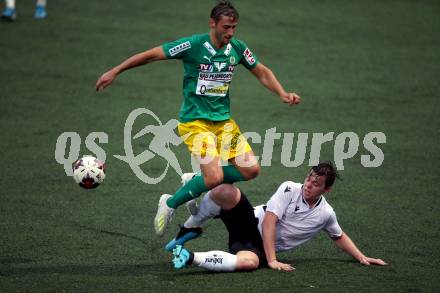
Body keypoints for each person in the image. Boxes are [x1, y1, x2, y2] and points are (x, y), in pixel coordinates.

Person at [95, 0, 301, 236]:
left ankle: (195, 180)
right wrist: (116, 70)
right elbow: (151, 55)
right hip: (195, 122)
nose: (230, 32)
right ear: (212, 23)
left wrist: (282, 93)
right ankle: (170, 203)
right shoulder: (192, 45)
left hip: (223, 123)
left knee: (251, 170)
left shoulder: (237, 48)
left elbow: (261, 71)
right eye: (226, 27)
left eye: (234, 27)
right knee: (214, 177)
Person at [169, 162, 388, 272]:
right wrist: (272, 260)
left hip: (253, 246)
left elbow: (338, 235)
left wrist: (361, 257)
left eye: (316, 184)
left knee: (250, 262)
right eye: (309, 179)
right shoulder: (290, 188)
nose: (308, 185)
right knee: (225, 190)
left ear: (326, 190)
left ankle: (188, 257)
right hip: (250, 221)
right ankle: (191, 226)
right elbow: (270, 221)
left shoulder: (325, 214)